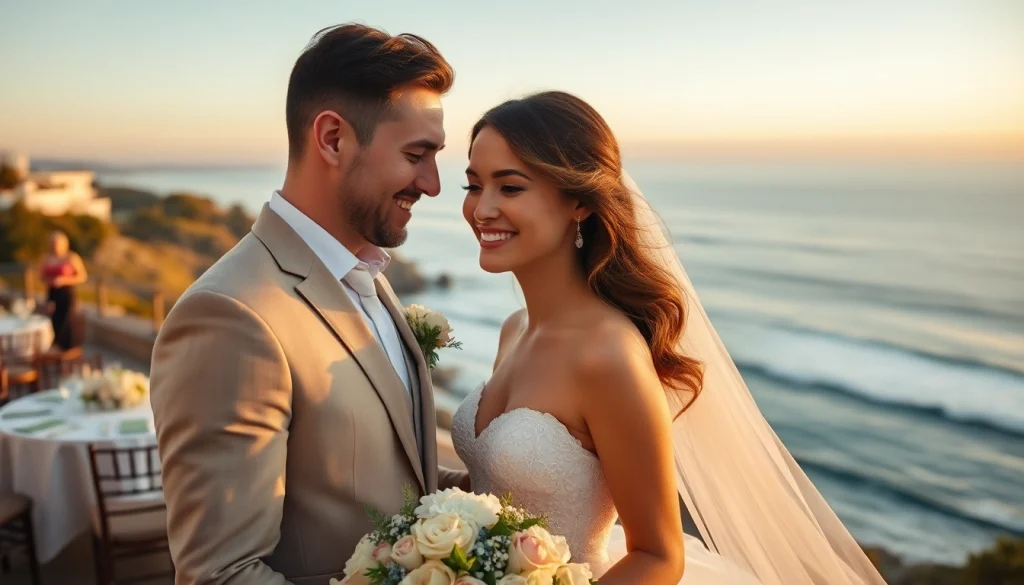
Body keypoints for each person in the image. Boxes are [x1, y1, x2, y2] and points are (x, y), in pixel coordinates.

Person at [451, 91, 889, 585]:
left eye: (510, 188)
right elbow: (496, 488)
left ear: (579, 202)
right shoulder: (514, 329)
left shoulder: (606, 354)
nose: (482, 209)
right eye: (473, 185)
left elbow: (658, 556)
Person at [149, 23, 467, 585]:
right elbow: (221, 573)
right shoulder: (232, 317)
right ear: (333, 139)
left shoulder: (365, 273)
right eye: (416, 155)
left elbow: (390, 478)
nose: (433, 184)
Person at [39, 230, 87, 350]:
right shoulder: (46, 258)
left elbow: (82, 276)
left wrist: (64, 280)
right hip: (52, 292)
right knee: (53, 319)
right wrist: (51, 281)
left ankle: (68, 347)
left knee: (66, 319)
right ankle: (57, 346)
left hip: (66, 293)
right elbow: (41, 276)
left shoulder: (71, 257)